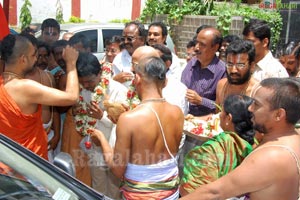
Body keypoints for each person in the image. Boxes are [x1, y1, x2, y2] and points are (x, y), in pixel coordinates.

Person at [180, 77, 300, 200]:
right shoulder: (294, 138)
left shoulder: (270, 156)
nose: (250, 108)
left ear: (278, 114)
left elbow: (214, 193)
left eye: (256, 104)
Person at [92, 55, 184, 199]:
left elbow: (117, 170)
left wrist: (101, 138)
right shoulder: (177, 112)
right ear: (164, 82)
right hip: (171, 194)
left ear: (138, 79)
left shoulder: (129, 119)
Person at [0, 34, 79, 160]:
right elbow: (72, 97)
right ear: (23, 59)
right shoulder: (25, 88)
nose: (36, 60)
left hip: (7, 161)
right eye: (33, 55)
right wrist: (71, 64)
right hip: (27, 163)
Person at [73, 52, 127, 199]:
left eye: (89, 81)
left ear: (100, 73)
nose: (86, 86)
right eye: (82, 82)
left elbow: (123, 125)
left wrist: (101, 117)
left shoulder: (118, 91)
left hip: (113, 149)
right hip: (94, 149)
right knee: (98, 187)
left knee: (114, 189)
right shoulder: (84, 90)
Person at [180, 94, 255, 195]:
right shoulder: (257, 147)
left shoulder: (211, 151)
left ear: (228, 118)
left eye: (222, 111)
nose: (219, 115)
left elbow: (191, 191)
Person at [22, 33, 61, 163]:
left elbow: (54, 108)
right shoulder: (19, 80)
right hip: (27, 140)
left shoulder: (49, 77)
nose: (40, 59)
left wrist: (56, 135)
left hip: (48, 137)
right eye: (37, 55)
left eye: (45, 56)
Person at [181, 26, 226, 116]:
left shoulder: (222, 71)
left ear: (215, 48)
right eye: (196, 43)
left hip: (206, 123)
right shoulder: (191, 63)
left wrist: (201, 101)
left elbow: (222, 107)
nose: (196, 48)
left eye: (202, 44)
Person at [215, 39, 259, 107]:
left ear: (252, 66)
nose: (233, 70)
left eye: (240, 65)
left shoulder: (257, 91)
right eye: (229, 64)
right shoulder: (221, 85)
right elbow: (217, 116)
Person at [152, 43, 188, 115]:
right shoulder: (139, 83)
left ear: (167, 64)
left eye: (153, 60)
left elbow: (176, 117)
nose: (147, 64)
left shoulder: (177, 89)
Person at [112, 20, 146, 88]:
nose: (125, 41)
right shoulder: (119, 59)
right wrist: (115, 80)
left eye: (130, 38)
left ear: (142, 40)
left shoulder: (152, 56)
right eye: (123, 38)